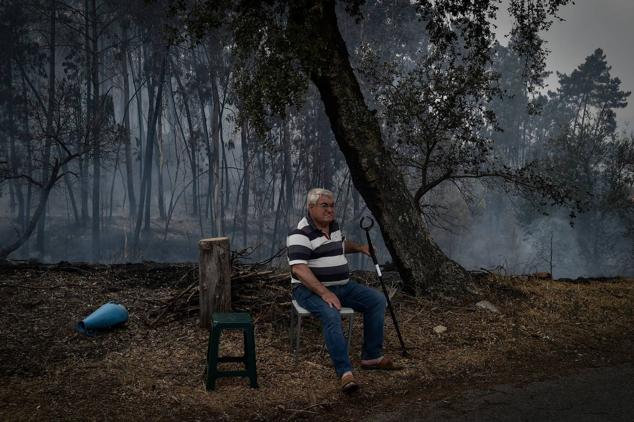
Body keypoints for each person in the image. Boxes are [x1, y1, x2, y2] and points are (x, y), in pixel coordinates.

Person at [287, 188, 396, 393]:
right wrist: (324, 293)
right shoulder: (299, 234)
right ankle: (345, 372)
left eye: (332, 206)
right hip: (308, 290)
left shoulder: (333, 227)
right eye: (324, 206)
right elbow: (299, 269)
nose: (330, 210)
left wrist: (360, 248)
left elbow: (341, 245)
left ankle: (371, 356)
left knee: (377, 300)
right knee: (331, 313)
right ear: (311, 208)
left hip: (342, 286)